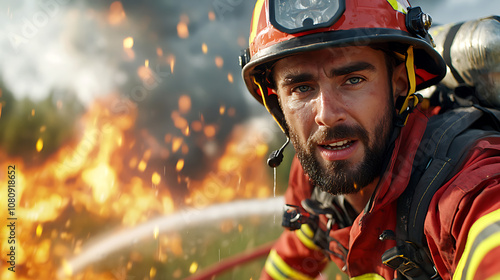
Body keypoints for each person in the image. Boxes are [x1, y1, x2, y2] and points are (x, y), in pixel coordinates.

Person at [239, 0, 500, 279]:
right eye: (301, 88)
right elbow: (289, 262)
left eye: (353, 80)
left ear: (399, 82)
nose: (326, 116)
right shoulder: (313, 176)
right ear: (276, 101)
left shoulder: (464, 192)